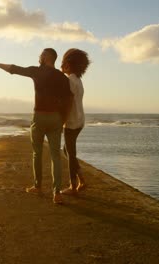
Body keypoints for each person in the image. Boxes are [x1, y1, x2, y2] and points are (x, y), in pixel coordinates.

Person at [0, 48, 72, 204]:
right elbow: (68, 100)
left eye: (41, 55)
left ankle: (38, 186)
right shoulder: (62, 77)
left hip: (39, 117)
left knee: (37, 153)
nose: (39, 57)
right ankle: (57, 193)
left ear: (46, 57)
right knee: (55, 156)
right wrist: (63, 119)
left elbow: (15, 69)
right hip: (55, 118)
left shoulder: (37, 71)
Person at [60, 48, 91, 195]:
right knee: (67, 150)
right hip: (80, 120)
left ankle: (73, 186)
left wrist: (62, 122)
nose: (61, 66)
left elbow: (68, 103)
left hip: (71, 121)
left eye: (63, 63)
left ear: (68, 64)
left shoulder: (69, 81)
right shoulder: (78, 80)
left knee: (70, 153)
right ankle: (82, 180)